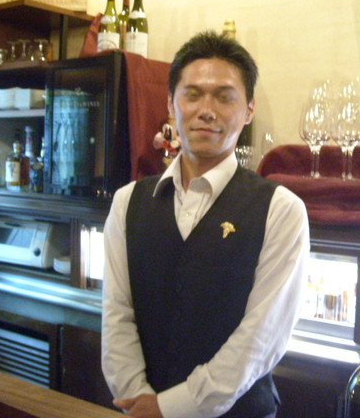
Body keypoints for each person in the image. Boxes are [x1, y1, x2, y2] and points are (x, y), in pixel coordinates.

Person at [101, 31, 309, 418]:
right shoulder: (127, 202)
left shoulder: (281, 210)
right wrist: (137, 399)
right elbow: (116, 315)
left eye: (224, 97)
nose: (206, 110)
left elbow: (261, 338)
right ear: (171, 103)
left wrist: (170, 409)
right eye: (192, 94)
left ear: (248, 109)